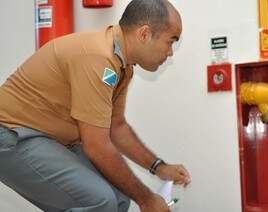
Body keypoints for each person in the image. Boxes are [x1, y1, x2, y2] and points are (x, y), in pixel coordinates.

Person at [0, 0, 191, 211]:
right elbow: (97, 146)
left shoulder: (122, 66)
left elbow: (115, 127)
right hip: (11, 134)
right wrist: (146, 200)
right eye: (170, 41)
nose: (171, 52)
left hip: (51, 140)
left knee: (120, 200)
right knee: (99, 201)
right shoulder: (99, 58)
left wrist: (159, 168)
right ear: (144, 34)